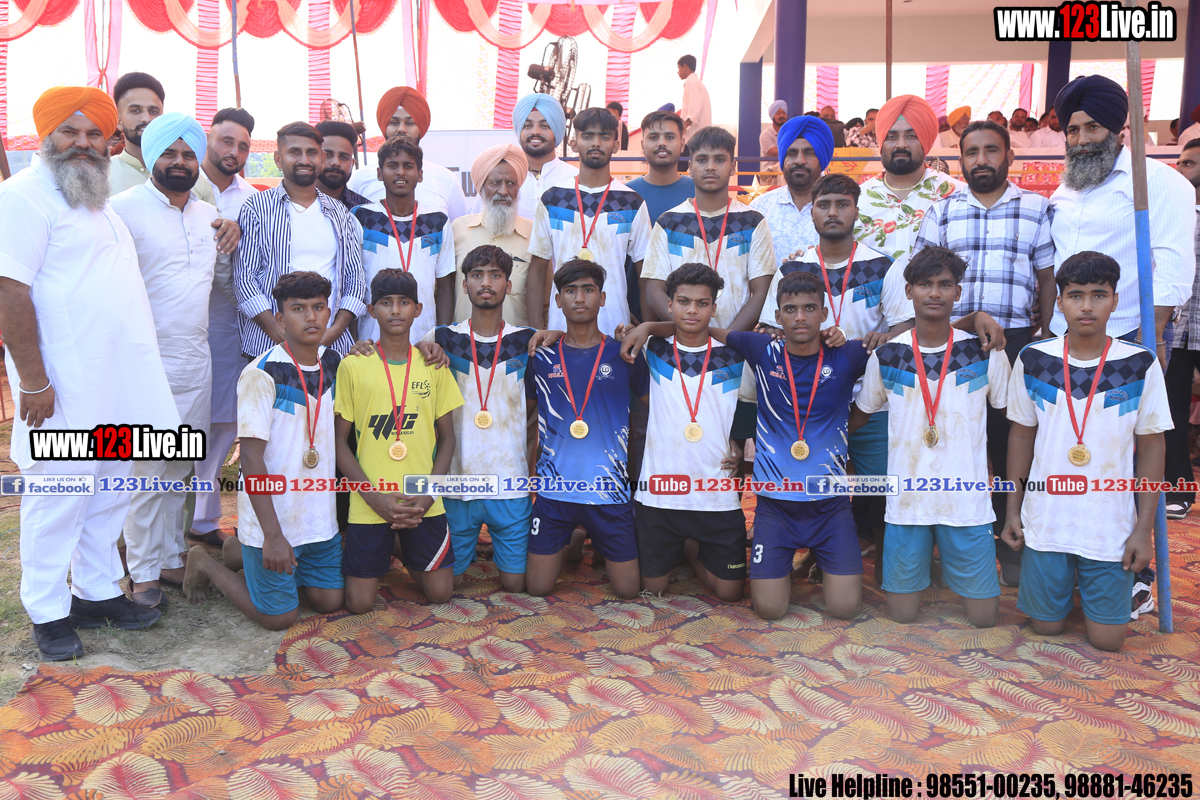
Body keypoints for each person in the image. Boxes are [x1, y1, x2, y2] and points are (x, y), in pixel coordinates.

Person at [0, 87, 178, 660]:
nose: (82, 142)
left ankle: (96, 591)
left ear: (109, 142)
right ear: (45, 136)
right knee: (59, 495)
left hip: (117, 384)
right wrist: (32, 381)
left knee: (109, 489)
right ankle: (47, 610)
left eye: (93, 133)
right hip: (63, 388)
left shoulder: (95, 199)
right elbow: (8, 290)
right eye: (69, 131)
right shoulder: (23, 198)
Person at [912, 119, 1056, 586]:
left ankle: (1011, 543)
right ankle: (943, 545)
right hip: (952, 342)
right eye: (971, 152)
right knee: (953, 444)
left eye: (991, 150)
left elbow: (1047, 278)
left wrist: (1044, 336)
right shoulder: (942, 211)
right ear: (961, 160)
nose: (981, 160)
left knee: (1010, 445)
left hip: (1016, 342)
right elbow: (920, 279)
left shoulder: (1036, 208)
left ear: (1009, 156)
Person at [1003, 252, 1170, 651]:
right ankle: (1063, 591)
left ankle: (1109, 592)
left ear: (1115, 301)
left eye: (1099, 295)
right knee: (1046, 628)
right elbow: (1021, 436)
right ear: (1059, 302)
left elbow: (1152, 445)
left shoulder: (1139, 364)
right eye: (1076, 295)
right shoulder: (1034, 359)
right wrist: (1012, 509)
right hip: (1046, 521)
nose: (1087, 306)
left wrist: (1143, 530)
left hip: (1109, 525)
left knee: (1108, 640)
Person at [109, 113, 233, 610]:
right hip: (144, 362)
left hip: (195, 361)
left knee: (180, 467)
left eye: (187, 154)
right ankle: (141, 573)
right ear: (151, 157)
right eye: (169, 153)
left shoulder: (209, 216)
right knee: (145, 471)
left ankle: (166, 556)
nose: (179, 162)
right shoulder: (122, 210)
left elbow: (222, 281)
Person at [853, 246, 1010, 628]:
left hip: (967, 503)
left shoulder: (984, 352)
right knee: (902, 614)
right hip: (907, 503)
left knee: (985, 618)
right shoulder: (887, 356)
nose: (935, 293)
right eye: (925, 284)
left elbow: (1014, 419)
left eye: (944, 284)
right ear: (909, 291)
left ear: (958, 292)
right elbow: (860, 415)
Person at [184, 272, 346, 628]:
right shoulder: (262, 373)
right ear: (279, 318)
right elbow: (251, 458)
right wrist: (272, 536)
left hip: (318, 518)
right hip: (273, 520)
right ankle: (205, 562)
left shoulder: (334, 363)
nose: (311, 317)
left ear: (329, 312)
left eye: (319, 307)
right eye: (298, 309)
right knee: (280, 618)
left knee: (329, 601)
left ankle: (237, 553)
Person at [728, 273, 868, 620]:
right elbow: (702, 330)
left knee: (845, 608)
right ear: (778, 316)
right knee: (770, 609)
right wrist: (649, 328)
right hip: (776, 508)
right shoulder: (761, 349)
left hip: (830, 507)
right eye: (790, 309)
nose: (800, 317)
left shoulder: (849, 353)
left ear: (824, 313)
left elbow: (910, 343)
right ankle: (785, 563)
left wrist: (975, 320)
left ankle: (818, 558)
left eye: (809, 308)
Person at [642, 126, 775, 456]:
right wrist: (688, 335)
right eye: (702, 159)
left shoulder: (753, 221)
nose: (710, 167)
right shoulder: (669, 222)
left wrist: (726, 340)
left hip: (737, 358)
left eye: (719, 159)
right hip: (680, 355)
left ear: (734, 166)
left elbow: (761, 292)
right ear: (690, 166)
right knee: (685, 445)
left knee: (735, 453)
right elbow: (654, 289)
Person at [1048, 75, 1197, 369]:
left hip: (1128, 332)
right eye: (1073, 130)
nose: (1082, 140)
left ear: (1117, 132)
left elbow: (1173, 264)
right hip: (1064, 331)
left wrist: (1152, 334)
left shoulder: (1156, 179)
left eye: (1093, 127)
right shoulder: (1065, 189)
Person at [334, 269, 463, 610]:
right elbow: (339, 443)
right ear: (371, 310)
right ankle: (390, 540)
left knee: (441, 593)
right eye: (386, 303)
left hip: (421, 498)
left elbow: (448, 438)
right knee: (359, 604)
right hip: (370, 500)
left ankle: (398, 543)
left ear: (418, 309)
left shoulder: (433, 365)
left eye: (404, 302)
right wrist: (373, 499)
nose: (395, 310)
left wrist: (429, 494)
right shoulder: (353, 366)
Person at [525, 261, 649, 599]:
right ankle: (575, 536)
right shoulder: (542, 357)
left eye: (588, 290)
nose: (579, 298)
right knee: (536, 588)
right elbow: (525, 415)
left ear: (602, 298)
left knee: (628, 590)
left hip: (610, 493)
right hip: (555, 493)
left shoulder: (624, 353)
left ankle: (585, 536)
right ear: (558, 300)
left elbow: (655, 409)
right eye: (570, 291)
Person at [628, 264, 747, 601]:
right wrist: (647, 326)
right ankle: (680, 546)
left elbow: (747, 405)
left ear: (714, 307)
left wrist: (737, 442)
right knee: (652, 588)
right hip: (659, 495)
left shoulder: (734, 355)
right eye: (683, 302)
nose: (692, 310)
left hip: (715, 492)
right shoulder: (652, 349)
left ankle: (692, 551)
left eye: (702, 303)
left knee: (730, 592)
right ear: (669, 304)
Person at [429, 246, 536, 592]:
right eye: (476, 275)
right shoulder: (441, 338)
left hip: (510, 483)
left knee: (516, 584)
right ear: (464, 285)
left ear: (509, 285)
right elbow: (400, 358)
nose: (485, 282)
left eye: (495, 275)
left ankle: (571, 542)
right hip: (457, 484)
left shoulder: (527, 341)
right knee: (449, 585)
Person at [234, 122, 367, 359]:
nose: (304, 160)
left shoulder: (340, 213)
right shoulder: (256, 208)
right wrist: (279, 334)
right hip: (270, 346)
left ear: (321, 159)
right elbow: (244, 279)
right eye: (295, 152)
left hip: (331, 347)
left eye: (311, 152)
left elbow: (354, 280)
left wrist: (334, 332)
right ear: (278, 159)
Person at [191, 106, 259, 550]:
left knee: (221, 426)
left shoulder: (251, 199)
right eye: (226, 141)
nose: (234, 151)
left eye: (243, 146)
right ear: (208, 140)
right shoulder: (181, 182)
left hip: (229, 327)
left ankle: (202, 520)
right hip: (179, 324)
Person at [526, 107, 652, 334]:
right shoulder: (552, 199)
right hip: (561, 331)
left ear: (616, 145)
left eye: (604, 137)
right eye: (587, 136)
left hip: (615, 330)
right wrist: (536, 331)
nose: (596, 143)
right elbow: (537, 269)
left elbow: (646, 275)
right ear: (574, 144)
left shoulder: (632, 202)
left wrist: (648, 333)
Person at [352, 137, 455, 344]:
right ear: (380, 173)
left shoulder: (437, 222)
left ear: (420, 174)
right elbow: (351, 285)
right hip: (371, 342)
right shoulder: (361, 218)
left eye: (408, 166)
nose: (400, 172)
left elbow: (445, 286)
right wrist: (355, 340)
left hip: (423, 342)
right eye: (392, 166)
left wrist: (440, 340)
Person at [855, 95, 966, 261]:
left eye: (911, 136)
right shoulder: (856, 200)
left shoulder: (957, 195)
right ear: (881, 142)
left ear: (924, 141)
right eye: (892, 136)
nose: (901, 144)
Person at [347, 87, 468, 220]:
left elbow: (458, 229)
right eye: (394, 122)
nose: (401, 129)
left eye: (409, 123)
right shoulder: (359, 179)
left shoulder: (446, 179)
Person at [451, 145, 533, 325]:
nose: (503, 191)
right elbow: (444, 292)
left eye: (511, 183)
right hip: (462, 341)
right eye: (495, 183)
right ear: (481, 188)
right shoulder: (457, 229)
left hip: (517, 341)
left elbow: (543, 302)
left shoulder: (533, 233)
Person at [1164, 139, 1200, 519]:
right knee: (1171, 413)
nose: (1181, 169)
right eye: (1180, 163)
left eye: (1189, 163)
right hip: (1179, 327)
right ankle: (1178, 489)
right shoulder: (1174, 213)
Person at [750, 116, 833, 266]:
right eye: (792, 153)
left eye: (808, 153)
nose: (799, 160)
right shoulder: (760, 208)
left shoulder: (841, 209)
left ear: (821, 159)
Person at [509, 93, 578, 220]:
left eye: (544, 126)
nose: (535, 132)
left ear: (557, 130)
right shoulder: (502, 179)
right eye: (528, 125)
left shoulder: (577, 180)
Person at [626, 110, 696, 226]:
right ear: (642, 146)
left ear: (682, 144)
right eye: (654, 137)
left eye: (669, 137)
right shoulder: (627, 194)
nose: (662, 143)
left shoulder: (699, 191)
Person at [315, 120, 370, 211]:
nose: (336, 163)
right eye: (328, 155)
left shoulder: (367, 211)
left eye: (344, 157)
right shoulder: (293, 205)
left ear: (352, 163)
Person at [677, 55, 712, 152]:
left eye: (679, 68)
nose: (678, 72)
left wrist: (684, 126)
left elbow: (696, 106)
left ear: (685, 66)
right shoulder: (697, 83)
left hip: (693, 138)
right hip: (700, 137)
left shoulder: (691, 82)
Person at [758, 100, 788, 187]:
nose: (781, 115)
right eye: (778, 113)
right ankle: (772, 169)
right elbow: (775, 153)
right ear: (772, 116)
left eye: (784, 113)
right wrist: (792, 151)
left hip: (787, 172)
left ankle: (773, 168)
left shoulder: (790, 133)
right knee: (783, 161)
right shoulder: (765, 135)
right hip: (771, 177)